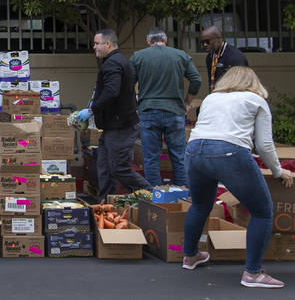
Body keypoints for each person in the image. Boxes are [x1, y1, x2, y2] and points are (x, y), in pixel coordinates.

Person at [180, 66, 295, 289]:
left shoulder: (212, 99)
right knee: (262, 211)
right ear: (254, 82)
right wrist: (279, 171)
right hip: (229, 153)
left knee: (200, 205)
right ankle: (252, 273)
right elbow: (264, 145)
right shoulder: (256, 100)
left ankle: (190, 256)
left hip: (194, 151)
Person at [132, 27, 203, 187]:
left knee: (151, 158)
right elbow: (196, 80)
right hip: (174, 111)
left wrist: (136, 104)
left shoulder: (139, 56)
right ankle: (182, 195)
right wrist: (187, 102)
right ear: (165, 40)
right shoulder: (180, 55)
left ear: (148, 42)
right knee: (178, 157)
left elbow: (128, 82)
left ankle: (156, 196)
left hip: (148, 111)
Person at [91, 29, 152, 202]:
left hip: (120, 126)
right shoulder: (116, 61)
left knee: (118, 168)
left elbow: (111, 90)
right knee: (105, 167)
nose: (94, 47)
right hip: (113, 126)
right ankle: (106, 203)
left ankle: (150, 194)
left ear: (108, 44)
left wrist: (93, 108)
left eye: (97, 43)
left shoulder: (112, 64)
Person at [201, 24, 248, 92]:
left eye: (207, 41)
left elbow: (242, 84)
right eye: (202, 42)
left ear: (219, 38)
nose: (205, 45)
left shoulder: (235, 57)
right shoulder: (210, 57)